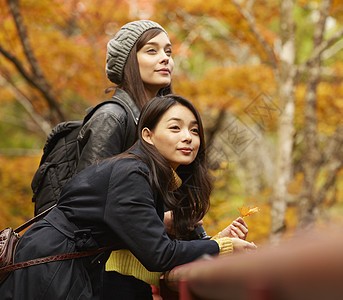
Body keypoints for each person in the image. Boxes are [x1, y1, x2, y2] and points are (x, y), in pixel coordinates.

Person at [0, 94, 257, 299]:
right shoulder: (132, 173)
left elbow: (140, 249)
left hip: (63, 269)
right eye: (175, 128)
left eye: (194, 130)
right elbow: (159, 255)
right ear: (148, 136)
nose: (187, 137)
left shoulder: (146, 174)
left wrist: (209, 241)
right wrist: (222, 247)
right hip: (49, 274)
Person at [73, 20, 249, 297]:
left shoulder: (164, 119)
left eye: (168, 51)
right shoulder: (113, 117)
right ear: (129, 61)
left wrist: (201, 235)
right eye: (151, 51)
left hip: (132, 273)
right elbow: (90, 208)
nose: (165, 58)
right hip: (95, 278)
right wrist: (162, 221)